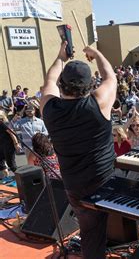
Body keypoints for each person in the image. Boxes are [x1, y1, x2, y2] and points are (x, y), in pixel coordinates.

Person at [40, 42, 117, 259]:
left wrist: (60, 57)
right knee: (96, 233)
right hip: (106, 181)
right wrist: (96, 53)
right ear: (90, 85)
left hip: (74, 184)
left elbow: (49, 80)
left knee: (90, 230)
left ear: (62, 85)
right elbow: (110, 76)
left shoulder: (49, 108)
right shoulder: (99, 102)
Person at [0, 110, 21, 180]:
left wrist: (16, 144)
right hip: (1, 146)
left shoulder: (4, 123)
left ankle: (20, 178)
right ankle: (7, 177)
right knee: (1, 163)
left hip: (8, 146)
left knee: (11, 164)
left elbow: (12, 134)